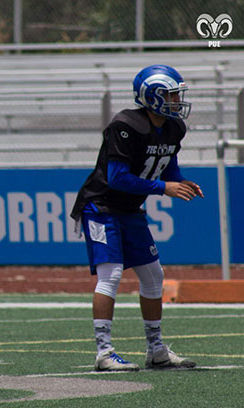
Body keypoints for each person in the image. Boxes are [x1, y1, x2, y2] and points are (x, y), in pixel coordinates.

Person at [71, 64, 204, 372]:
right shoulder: (125, 124)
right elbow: (117, 178)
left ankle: (156, 349)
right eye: (171, 96)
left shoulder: (174, 128)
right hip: (101, 206)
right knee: (112, 274)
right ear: (154, 96)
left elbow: (166, 164)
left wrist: (180, 182)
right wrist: (164, 188)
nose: (176, 101)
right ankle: (104, 352)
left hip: (130, 209)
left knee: (154, 275)